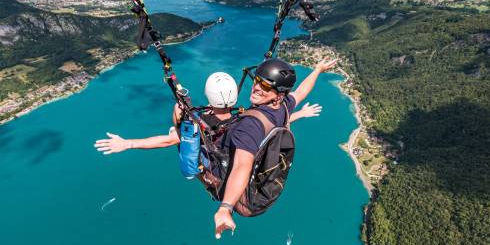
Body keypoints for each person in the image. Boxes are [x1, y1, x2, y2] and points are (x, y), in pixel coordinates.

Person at [212, 57, 337, 239]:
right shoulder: (283, 106)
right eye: (257, 80)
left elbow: (241, 165)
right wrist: (317, 70)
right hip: (259, 180)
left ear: (278, 94)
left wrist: (225, 208)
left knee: (183, 124)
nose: (256, 87)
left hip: (220, 170)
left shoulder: (250, 125)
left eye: (265, 86)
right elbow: (301, 92)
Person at [94, 71, 323, 154]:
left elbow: (167, 141)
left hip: (212, 159)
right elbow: (299, 93)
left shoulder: (202, 124)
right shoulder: (246, 118)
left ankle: (178, 126)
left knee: (177, 126)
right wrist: (300, 113)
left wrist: (128, 144)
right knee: (177, 127)